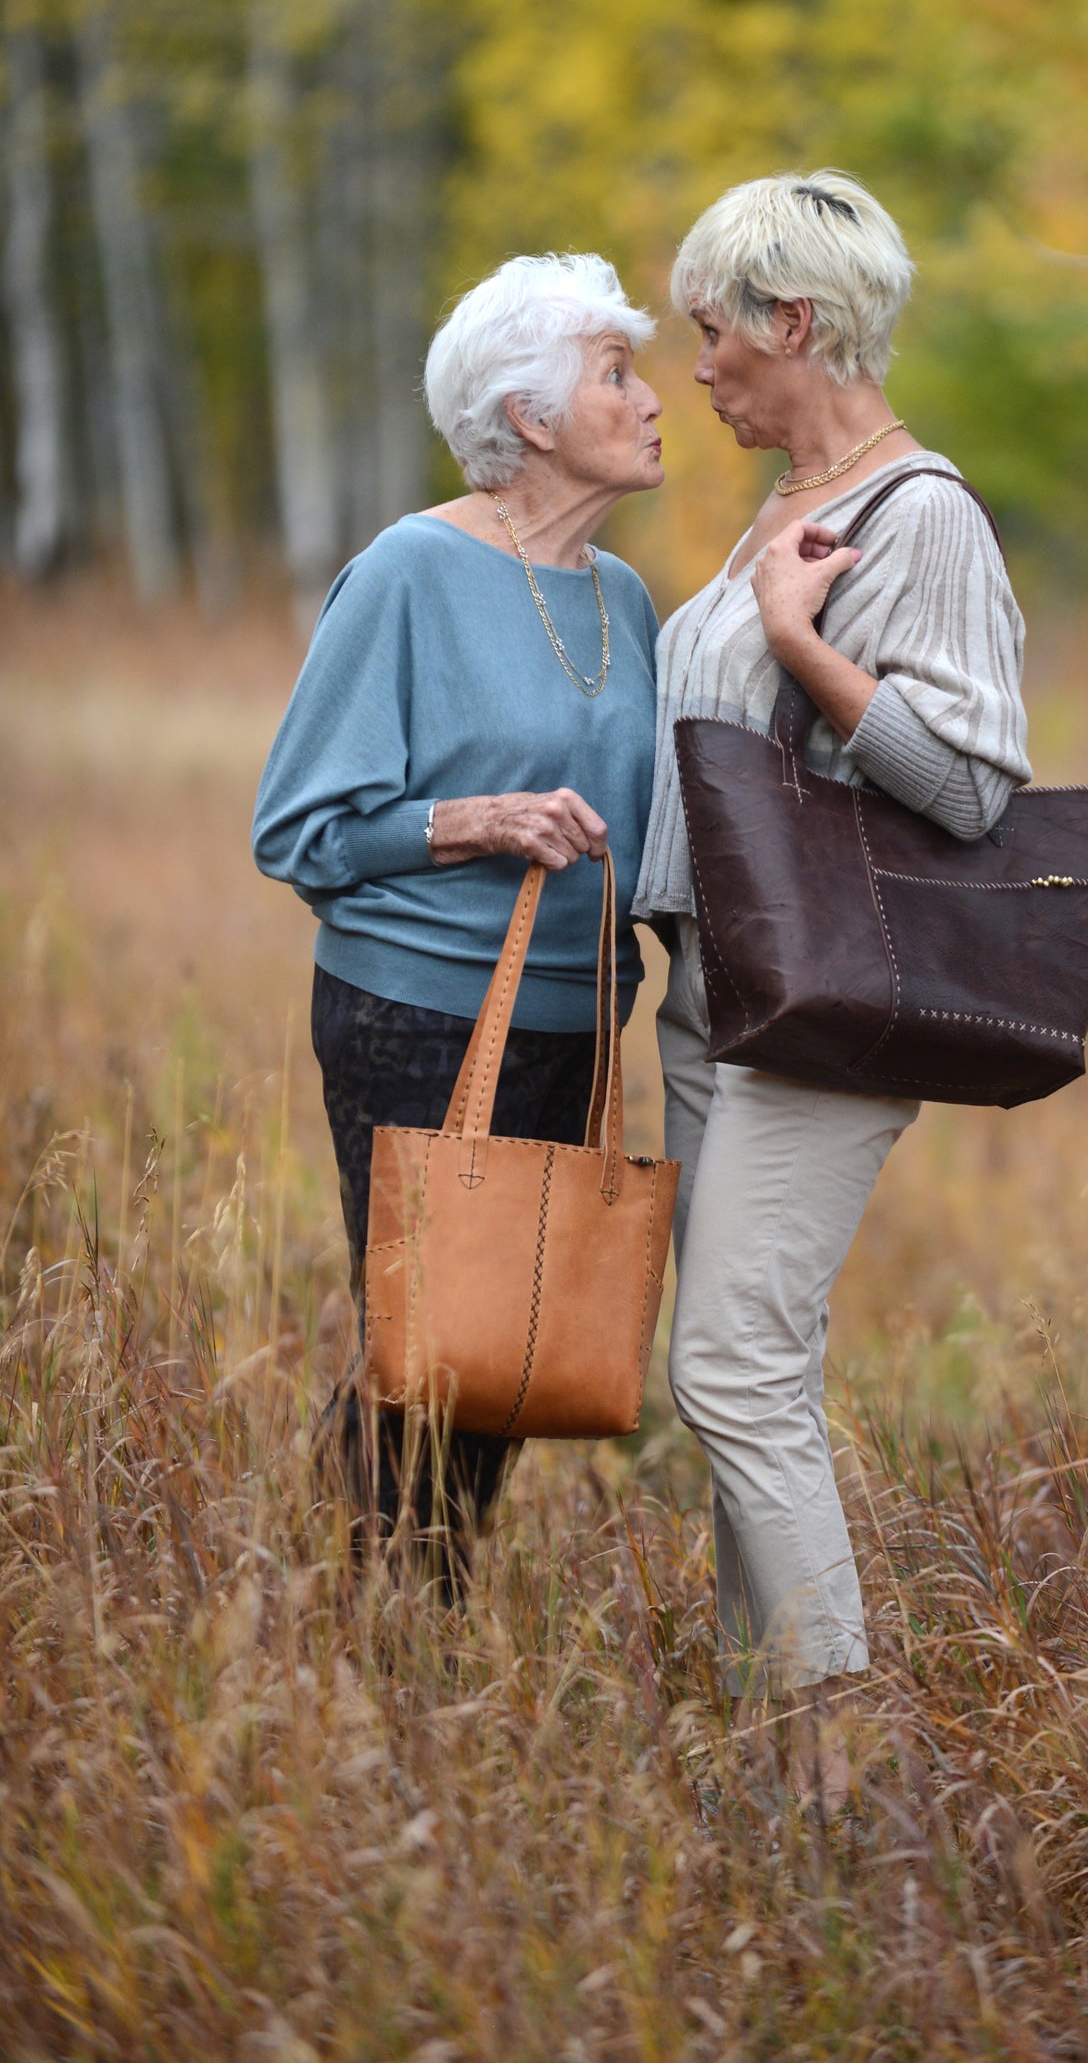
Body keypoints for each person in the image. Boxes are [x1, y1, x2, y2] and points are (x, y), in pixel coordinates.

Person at [635, 170, 1030, 1791]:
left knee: (725, 1367)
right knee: (750, 1379)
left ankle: (842, 1765)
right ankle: (770, 1767)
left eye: (714, 331)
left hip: (822, 1010)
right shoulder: (781, 503)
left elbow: (976, 785)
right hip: (712, 998)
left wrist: (804, 645)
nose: (699, 367)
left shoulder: (921, 513)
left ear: (797, 323)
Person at [253, 252, 664, 1590]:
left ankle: (404, 1642)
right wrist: (479, 820)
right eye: (618, 373)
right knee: (432, 1354)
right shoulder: (408, 573)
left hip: (578, 1025)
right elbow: (297, 832)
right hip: (417, 1017)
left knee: (510, 1358)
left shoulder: (628, 600)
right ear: (531, 419)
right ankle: (370, 1646)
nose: (653, 399)